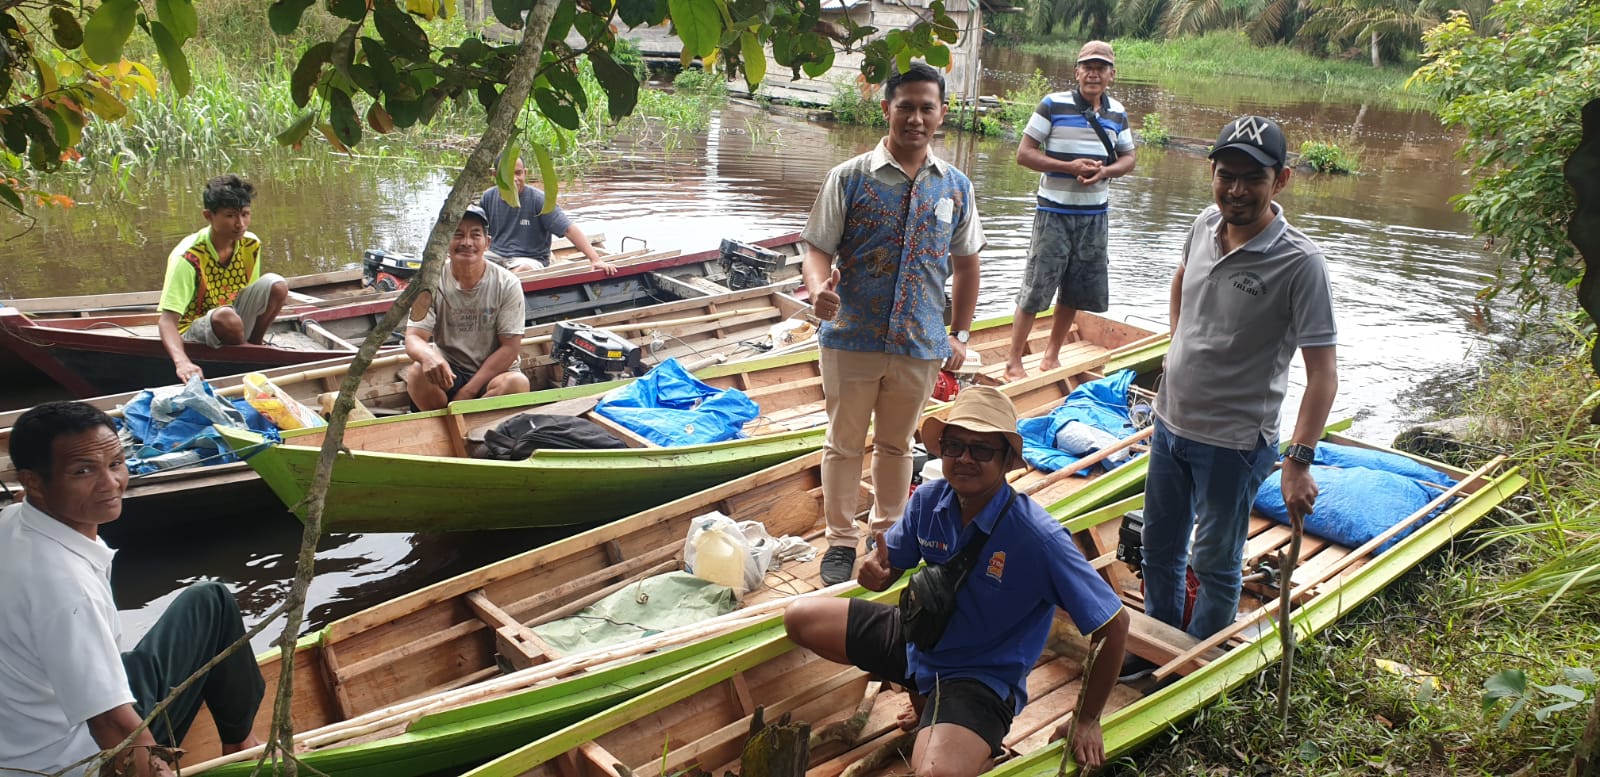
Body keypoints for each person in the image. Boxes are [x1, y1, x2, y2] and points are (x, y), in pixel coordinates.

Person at [784, 386, 1129, 775]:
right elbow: (889, 568)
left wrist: (1086, 719)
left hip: (978, 675)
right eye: (955, 446)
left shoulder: (1038, 538)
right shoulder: (929, 500)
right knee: (800, 616)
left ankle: (969, 737)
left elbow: (1113, 627)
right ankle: (927, 702)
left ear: (1006, 460)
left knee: (934, 774)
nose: (965, 459)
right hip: (920, 640)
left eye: (981, 450)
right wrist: (876, 574)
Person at [1125, 116, 1338, 676]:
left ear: (1282, 180)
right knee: (1158, 548)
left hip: (1235, 442)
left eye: (1253, 178)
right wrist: (1176, 351)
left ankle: (1193, 665)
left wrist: (1298, 460)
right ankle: (1158, 640)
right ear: (1211, 173)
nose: (1237, 190)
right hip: (1172, 425)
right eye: (1226, 176)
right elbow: (1181, 281)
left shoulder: (1301, 263)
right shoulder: (1202, 224)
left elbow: (1322, 375)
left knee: (1213, 560)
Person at [0, 401, 265, 777]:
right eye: (83, 471)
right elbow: (110, 724)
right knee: (215, 602)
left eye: (115, 464)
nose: (111, 484)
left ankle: (240, 745)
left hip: (25, 732)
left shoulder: (13, 520)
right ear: (34, 482)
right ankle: (243, 749)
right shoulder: (66, 588)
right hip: (71, 761)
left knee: (209, 602)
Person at [803, 61, 986, 586]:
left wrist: (961, 334)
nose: (915, 117)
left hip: (920, 342)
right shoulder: (851, 177)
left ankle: (887, 535)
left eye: (926, 107)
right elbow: (816, 247)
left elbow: (968, 263)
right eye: (905, 106)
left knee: (897, 444)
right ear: (886, 109)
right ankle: (839, 540)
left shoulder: (956, 188)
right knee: (843, 441)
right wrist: (819, 291)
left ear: (942, 114)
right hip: (851, 335)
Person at [1004, 41, 1137, 382]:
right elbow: (1024, 153)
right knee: (1036, 286)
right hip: (1054, 213)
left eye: (1101, 67)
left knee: (1075, 289)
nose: (1093, 73)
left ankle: (1051, 356)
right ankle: (1014, 362)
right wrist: (1068, 166)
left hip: (1094, 217)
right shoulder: (1052, 104)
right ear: (1076, 72)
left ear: (1111, 75)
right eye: (1087, 67)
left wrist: (1104, 172)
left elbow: (1128, 159)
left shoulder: (1117, 112)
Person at [157, 174, 289, 384]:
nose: (240, 224)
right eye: (230, 216)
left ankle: (255, 347)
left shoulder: (251, 244)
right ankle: (248, 355)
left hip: (231, 318)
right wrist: (182, 361)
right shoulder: (188, 257)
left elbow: (249, 292)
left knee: (277, 285)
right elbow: (167, 322)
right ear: (208, 216)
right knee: (227, 318)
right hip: (194, 326)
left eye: (245, 214)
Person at [403, 203, 533, 411]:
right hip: (450, 373)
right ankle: (443, 428)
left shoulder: (507, 283)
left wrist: (470, 391)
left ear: (487, 243)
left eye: (475, 235)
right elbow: (413, 337)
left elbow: (510, 347)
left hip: (494, 376)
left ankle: (473, 423)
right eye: (458, 234)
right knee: (417, 373)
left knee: (518, 384)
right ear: (446, 241)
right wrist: (428, 356)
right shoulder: (429, 282)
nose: (466, 242)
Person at [479, 158, 617, 275]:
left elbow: (568, 229)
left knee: (522, 271)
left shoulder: (538, 200)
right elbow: (478, 230)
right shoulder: (488, 197)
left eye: (518, 173)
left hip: (529, 258)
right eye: (507, 175)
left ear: (525, 173)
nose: (514, 179)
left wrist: (595, 259)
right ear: (495, 175)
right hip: (496, 255)